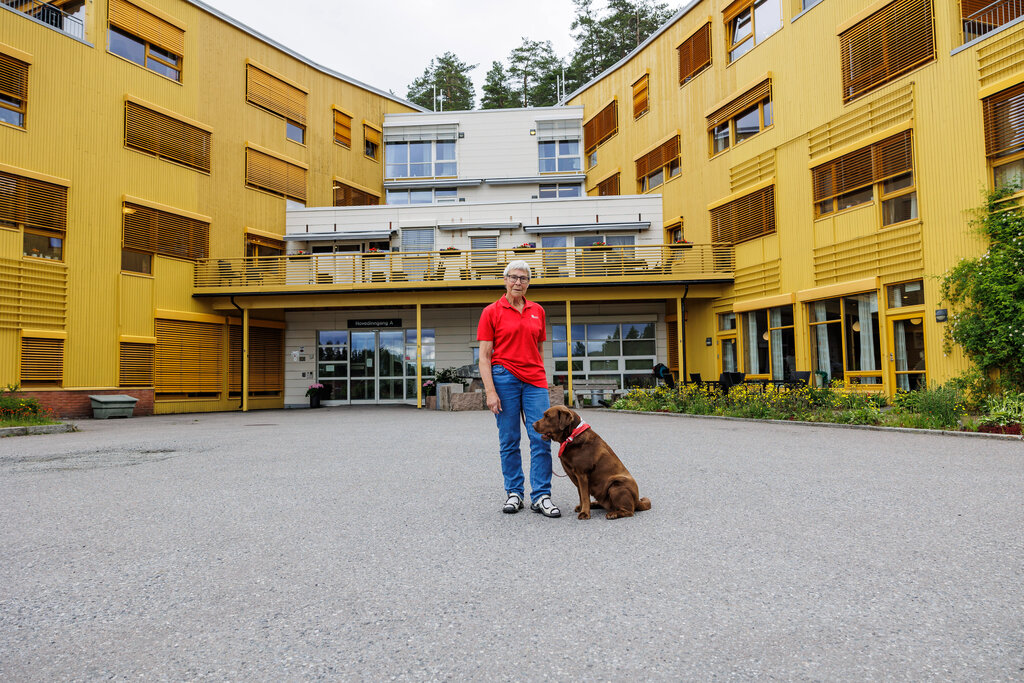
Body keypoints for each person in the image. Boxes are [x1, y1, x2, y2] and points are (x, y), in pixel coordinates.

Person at [477, 260, 561, 518]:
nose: (518, 282)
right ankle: (514, 493)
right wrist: (491, 392)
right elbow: (484, 356)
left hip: (534, 380)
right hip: (505, 378)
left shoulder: (538, 310)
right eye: (513, 277)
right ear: (505, 280)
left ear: (528, 283)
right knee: (510, 439)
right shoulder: (491, 311)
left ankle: (541, 496)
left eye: (523, 278)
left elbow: (539, 348)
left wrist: (541, 374)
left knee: (541, 437)